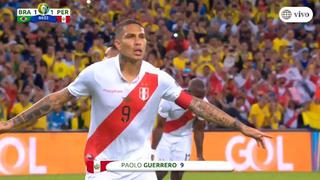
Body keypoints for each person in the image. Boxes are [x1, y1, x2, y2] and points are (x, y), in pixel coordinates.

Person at [0, 19, 270, 180]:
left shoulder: (158, 78)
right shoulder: (95, 73)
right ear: (118, 44)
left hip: (141, 169)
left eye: (142, 36)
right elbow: (56, 100)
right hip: (102, 168)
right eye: (131, 36)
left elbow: (198, 106)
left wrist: (240, 126)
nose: (138, 41)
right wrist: (13, 123)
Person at [151, 78, 206, 180]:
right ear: (189, 92)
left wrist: (199, 155)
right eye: (197, 97)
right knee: (161, 171)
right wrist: (152, 151)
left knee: (178, 172)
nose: (200, 101)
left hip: (184, 137)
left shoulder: (204, 103)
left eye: (202, 97)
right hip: (165, 136)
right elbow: (159, 127)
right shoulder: (169, 99)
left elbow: (199, 129)